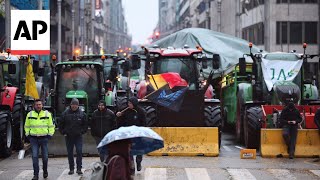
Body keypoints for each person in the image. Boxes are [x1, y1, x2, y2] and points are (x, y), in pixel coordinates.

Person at [24, 99, 55, 180]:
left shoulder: (47, 114)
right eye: (37, 104)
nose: (38, 106)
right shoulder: (29, 114)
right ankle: (36, 175)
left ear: (42, 105)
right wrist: (28, 135)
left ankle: (45, 171)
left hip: (44, 138)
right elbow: (26, 126)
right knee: (34, 157)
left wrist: (50, 135)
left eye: (40, 104)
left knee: (45, 157)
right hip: (33, 139)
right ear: (34, 105)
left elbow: (51, 126)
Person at [116, 97, 146, 174]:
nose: (129, 105)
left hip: (138, 134)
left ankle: (138, 162)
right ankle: (131, 168)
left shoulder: (141, 112)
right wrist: (118, 116)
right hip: (128, 135)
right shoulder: (125, 111)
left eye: (130, 103)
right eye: (128, 103)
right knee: (129, 152)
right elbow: (120, 123)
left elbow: (144, 123)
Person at [58, 98, 88, 175]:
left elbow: (85, 125)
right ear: (70, 105)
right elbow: (60, 124)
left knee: (79, 151)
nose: (74, 106)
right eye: (73, 104)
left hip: (78, 137)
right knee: (70, 153)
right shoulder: (65, 113)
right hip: (68, 137)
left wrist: (81, 132)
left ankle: (79, 168)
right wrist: (63, 132)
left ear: (78, 105)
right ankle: (71, 168)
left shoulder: (82, 114)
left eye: (76, 104)